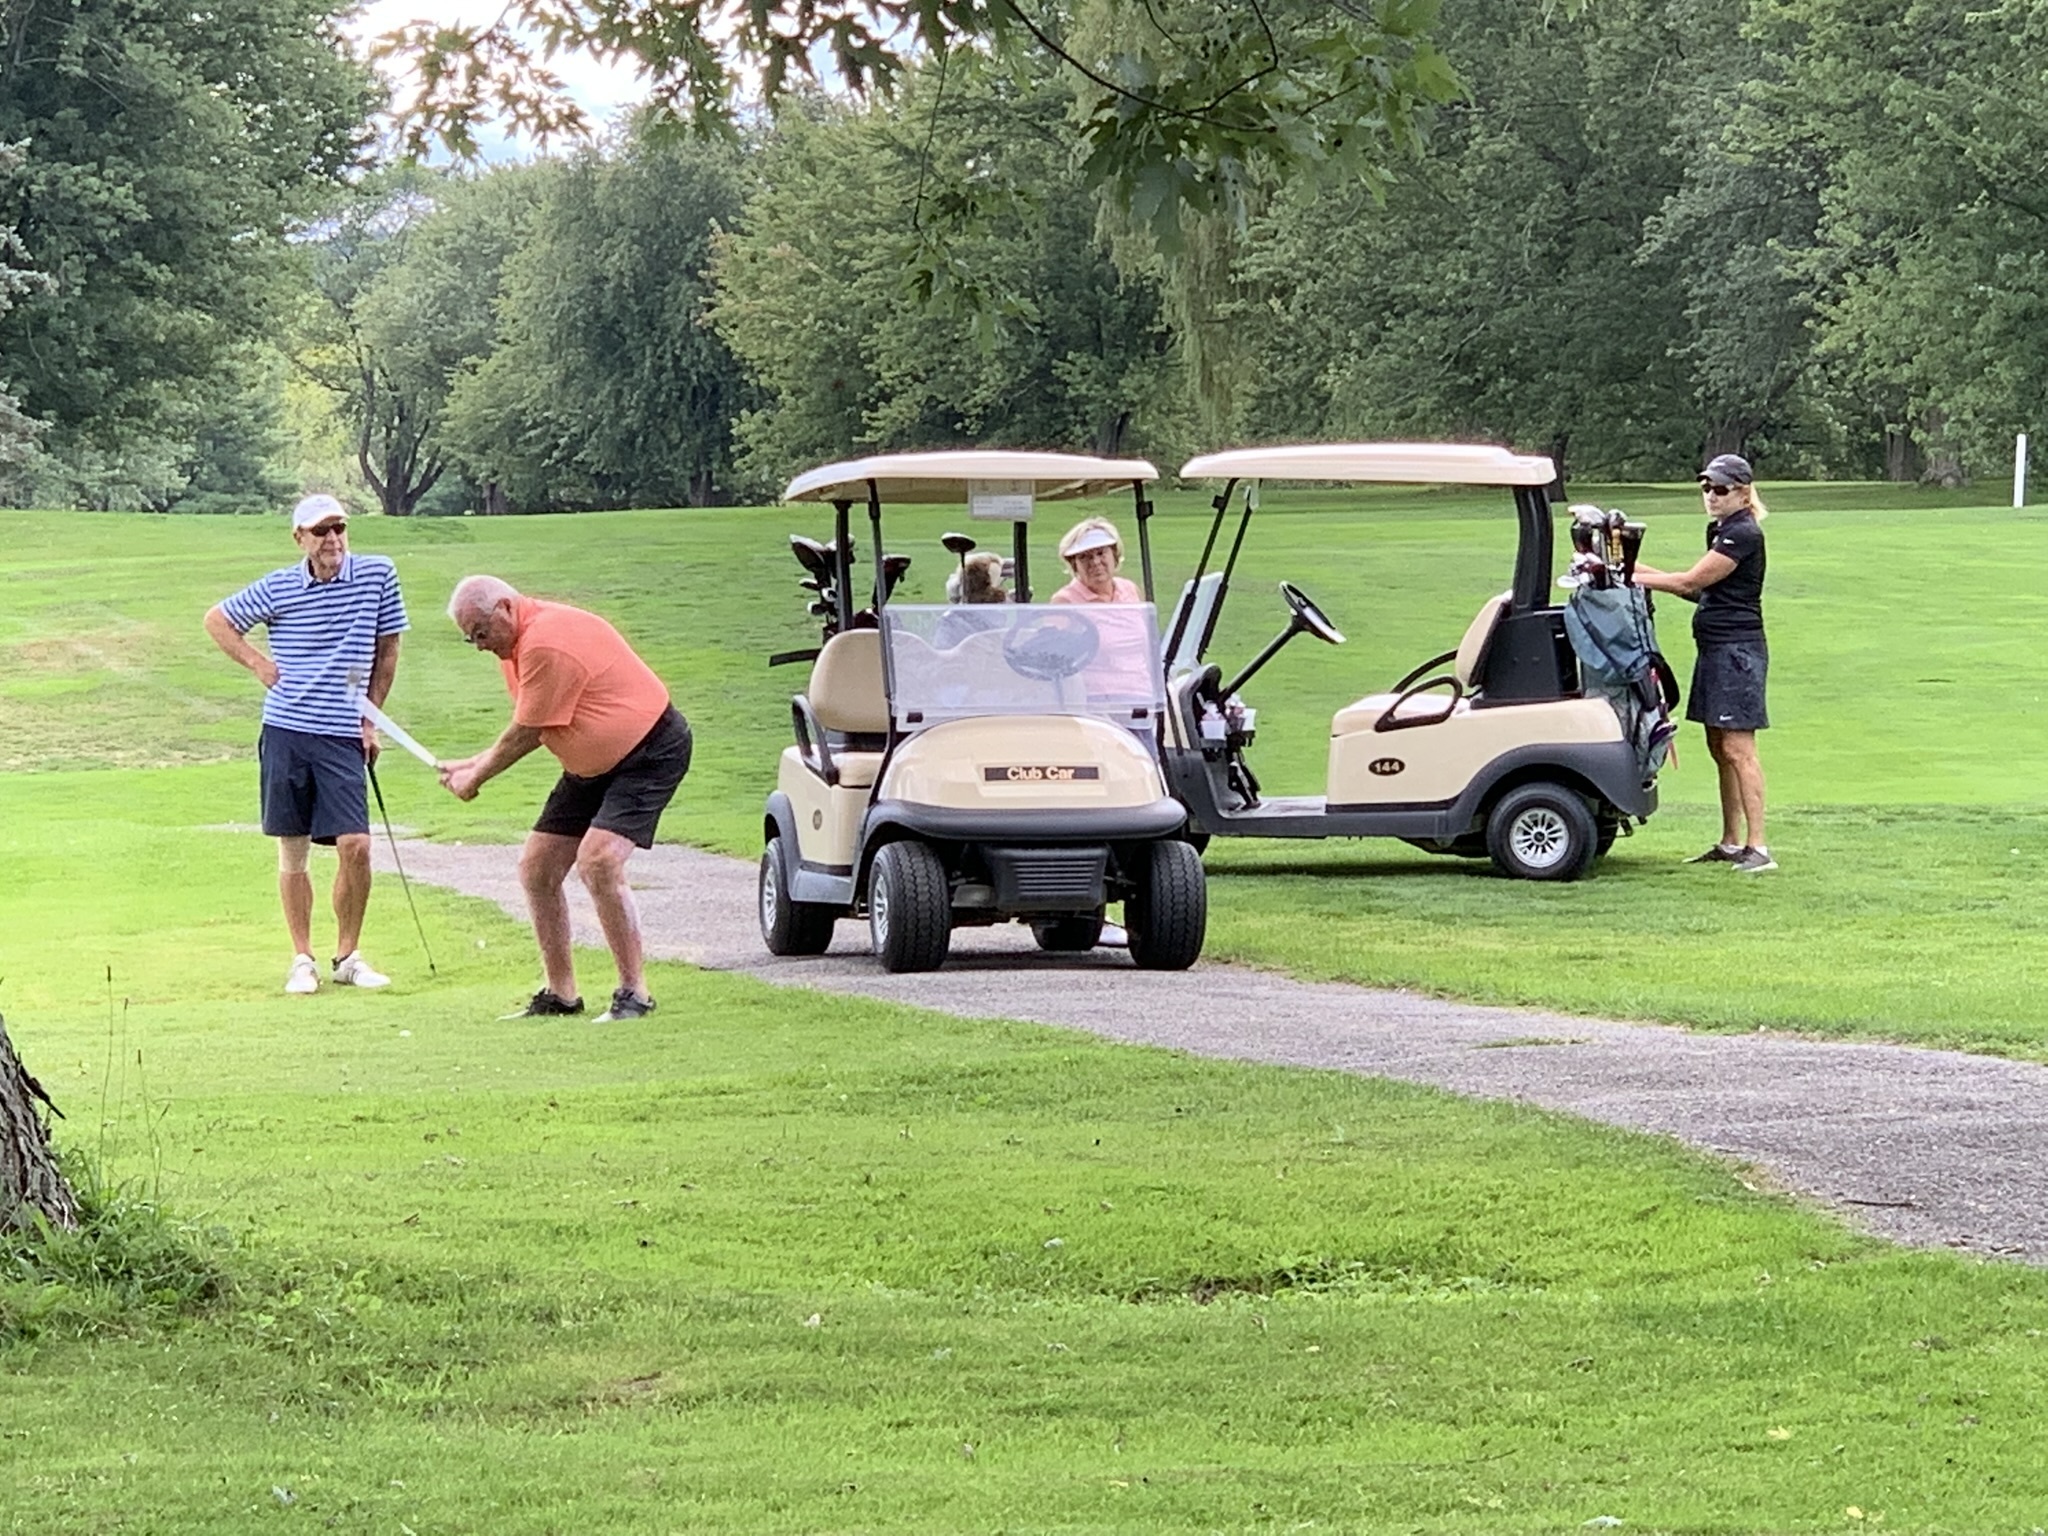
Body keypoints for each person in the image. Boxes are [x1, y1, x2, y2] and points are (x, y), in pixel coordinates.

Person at [437, 576, 692, 1022]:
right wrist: (472, 763)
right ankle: (562, 995)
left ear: (505, 608)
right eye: (470, 638)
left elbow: (528, 732)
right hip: (589, 767)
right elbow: (534, 721)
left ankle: (634, 993)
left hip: (650, 751)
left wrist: (475, 778)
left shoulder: (544, 642)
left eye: (481, 632)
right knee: (537, 869)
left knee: (599, 861)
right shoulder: (515, 647)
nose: (479, 645)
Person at [203, 493, 408, 993]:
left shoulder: (377, 575)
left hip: (342, 731)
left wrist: (370, 720)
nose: (332, 539)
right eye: (320, 531)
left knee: (355, 845)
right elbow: (218, 620)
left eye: (339, 528)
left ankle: (348, 956)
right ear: (300, 538)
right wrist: (258, 663)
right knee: (293, 850)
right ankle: (302, 959)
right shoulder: (279, 586)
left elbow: (387, 649)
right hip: (287, 730)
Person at [1633, 453, 1774, 873]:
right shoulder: (1720, 529)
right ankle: (1731, 842)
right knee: (1718, 746)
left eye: (1720, 489)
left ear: (1743, 494)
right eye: (1706, 487)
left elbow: (1690, 581)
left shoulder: (1743, 533)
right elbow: (1701, 591)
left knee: (1738, 748)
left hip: (1737, 652)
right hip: (1715, 649)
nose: (1711, 495)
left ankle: (1759, 848)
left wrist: (1628, 576)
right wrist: (1626, 566)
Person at [1049, 518, 1142, 605]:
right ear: (1074, 564)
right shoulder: (1064, 601)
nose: (1095, 562)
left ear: (1114, 555)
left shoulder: (1129, 589)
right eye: (1084, 557)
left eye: (1101, 553)